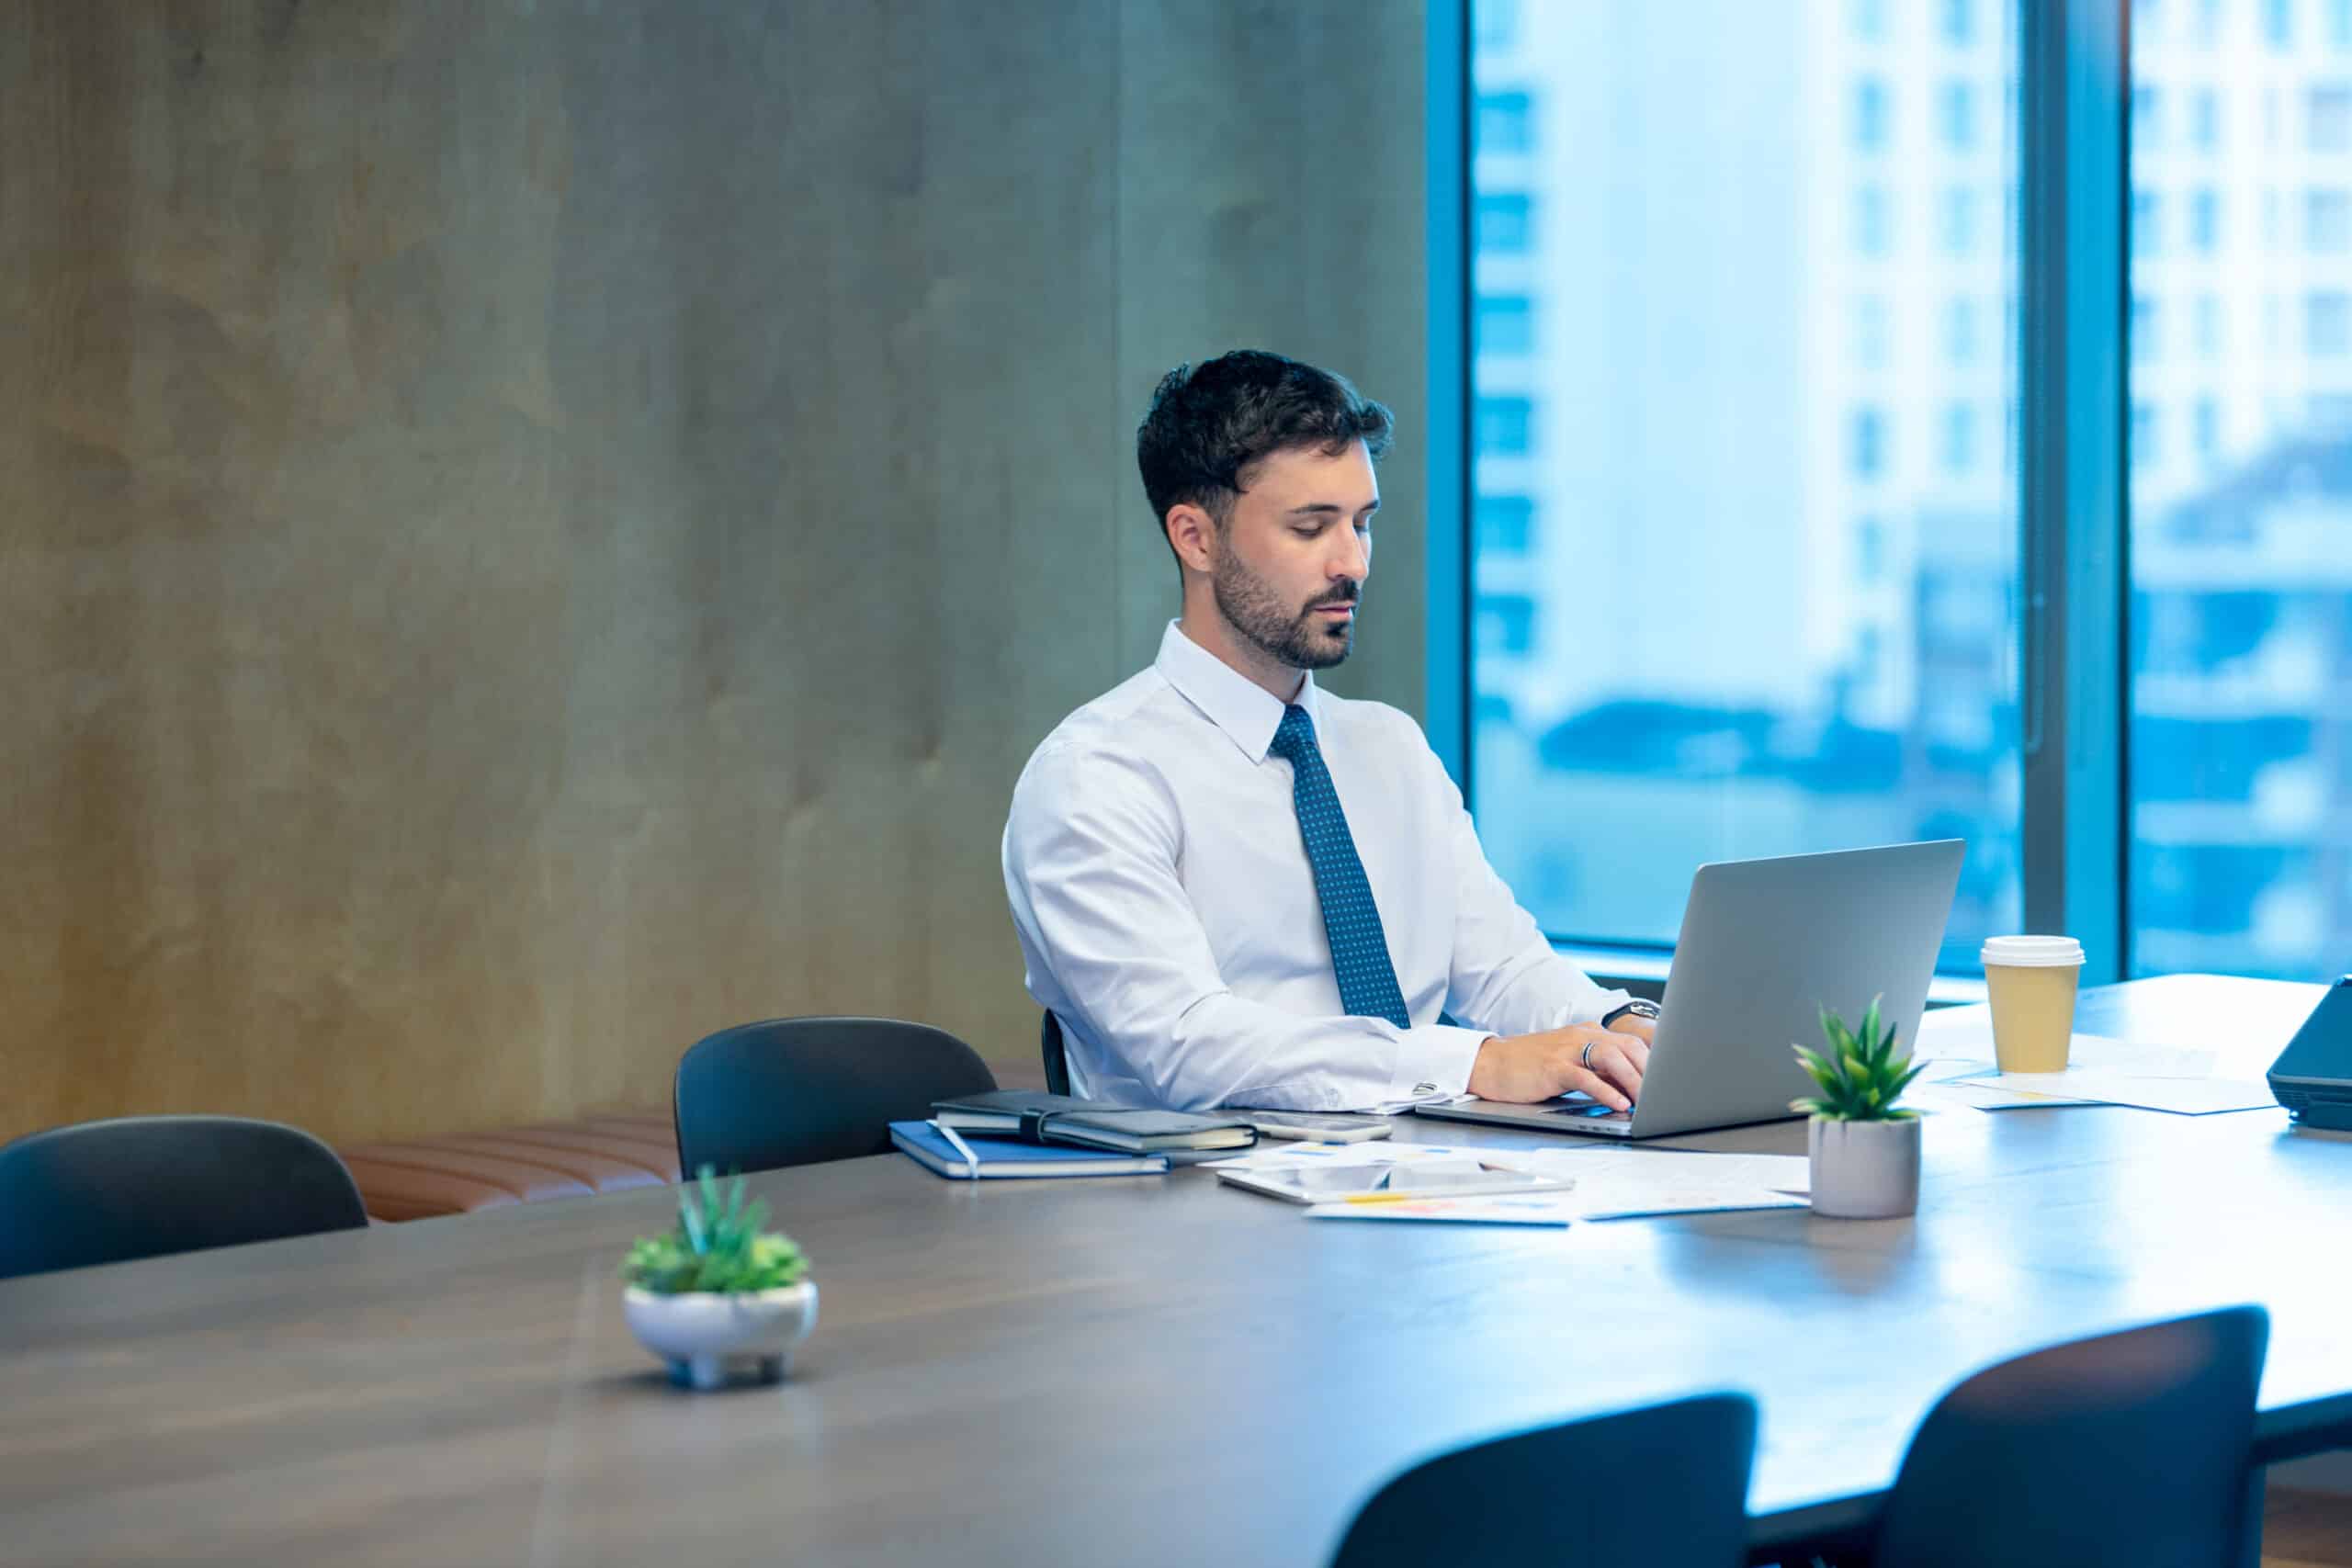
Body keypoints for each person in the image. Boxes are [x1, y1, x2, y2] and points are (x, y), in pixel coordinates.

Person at [1001, 350, 1658, 1113]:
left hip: (1432, 1182)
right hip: (1204, 1207)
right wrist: (1474, 1062)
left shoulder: (1389, 747)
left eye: (1362, 524)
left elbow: (1506, 970)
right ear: (1196, 538)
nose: (1354, 563)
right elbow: (1190, 1045)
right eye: (1311, 527)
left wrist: (1629, 1028)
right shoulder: (1098, 776)